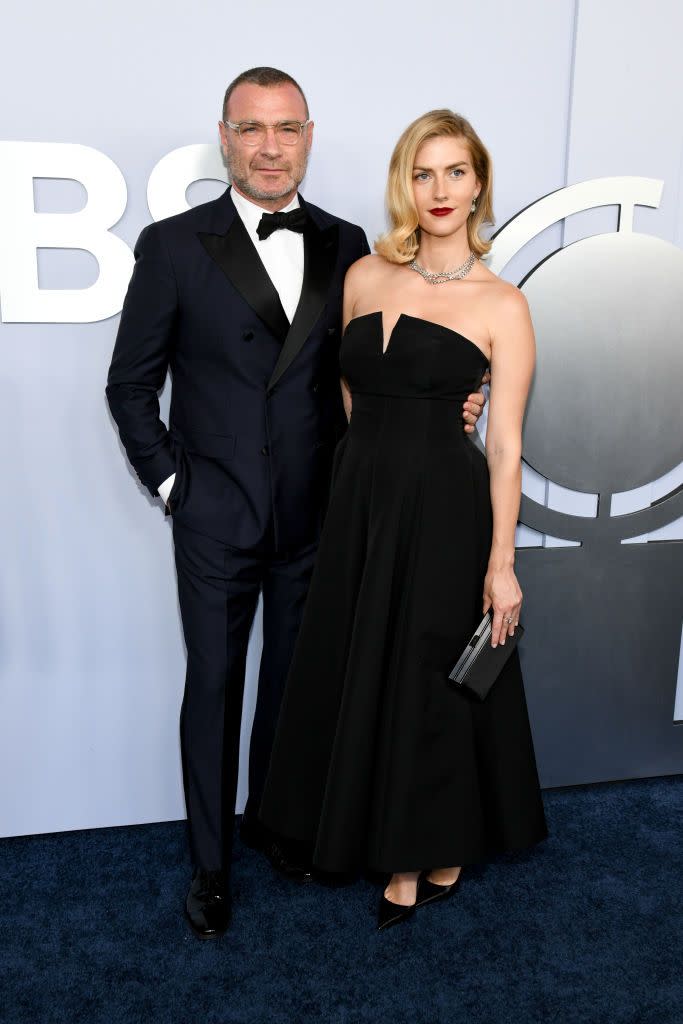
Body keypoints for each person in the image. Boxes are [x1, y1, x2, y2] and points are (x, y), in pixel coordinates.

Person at [106, 74, 487, 939]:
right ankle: (210, 866)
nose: (269, 147)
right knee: (214, 687)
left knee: (293, 683)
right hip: (215, 513)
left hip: (321, 511)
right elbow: (130, 387)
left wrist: (451, 403)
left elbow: (370, 368)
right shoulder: (172, 246)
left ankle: (277, 827)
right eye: (251, 130)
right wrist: (177, 486)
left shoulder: (349, 244)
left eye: (286, 129)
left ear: (309, 136)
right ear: (225, 138)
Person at [259, 108, 548, 930]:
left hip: (446, 509)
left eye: (456, 172)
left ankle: (421, 850)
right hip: (361, 504)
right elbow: (352, 400)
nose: (440, 190)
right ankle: (355, 822)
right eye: (423, 173)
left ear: (480, 182)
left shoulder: (504, 304)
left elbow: (504, 445)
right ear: (403, 185)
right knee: (361, 660)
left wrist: (501, 562)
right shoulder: (363, 277)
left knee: (429, 677)